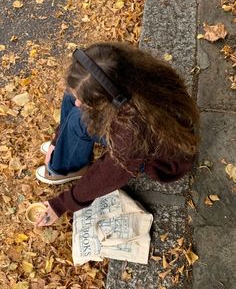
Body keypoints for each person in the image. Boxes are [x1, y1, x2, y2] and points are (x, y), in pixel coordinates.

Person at [35, 42, 199, 227]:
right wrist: (58, 140)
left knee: (77, 119)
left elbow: (107, 175)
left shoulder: (131, 132)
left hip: (160, 161)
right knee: (71, 96)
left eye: (86, 102)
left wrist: (61, 204)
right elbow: (79, 98)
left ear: (109, 101)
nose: (80, 103)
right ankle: (64, 150)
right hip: (154, 129)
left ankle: (64, 168)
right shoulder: (135, 74)